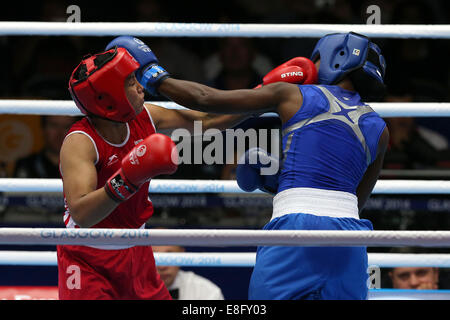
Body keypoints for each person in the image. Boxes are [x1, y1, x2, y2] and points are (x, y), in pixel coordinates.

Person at [113, 31, 389, 300]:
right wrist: (282, 182)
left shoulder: (294, 95)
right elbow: (354, 200)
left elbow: (206, 100)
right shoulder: (380, 128)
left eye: (315, 60)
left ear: (336, 57)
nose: (311, 68)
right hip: (351, 240)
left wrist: (154, 76)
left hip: (297, 227)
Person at [58, 43, 252, 300]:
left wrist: (261, 98)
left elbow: (208, 120)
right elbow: (82, 213)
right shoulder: (80, 141)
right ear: (110, 97)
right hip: (88, 255)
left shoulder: (145, 116)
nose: (140, 86)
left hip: (137, 249)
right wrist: (127, 179)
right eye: (129, 82)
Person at [152, 244, 225, 300]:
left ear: (182, 255)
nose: (162, 267)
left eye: (170, 256)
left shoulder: (207, 291)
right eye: (153, 256)